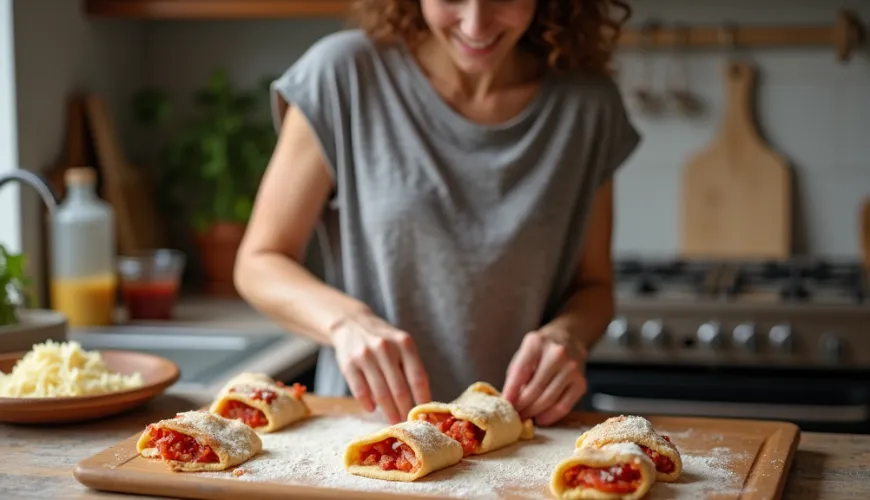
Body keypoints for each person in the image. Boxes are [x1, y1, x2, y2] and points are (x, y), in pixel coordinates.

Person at [234, 0, 640, 427]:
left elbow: (593, 287)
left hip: (527, 434)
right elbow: (259, 261)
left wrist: (568, 338)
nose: (475, 23)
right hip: (369, 432)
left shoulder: (589, 105)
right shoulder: (344, 74)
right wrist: (347, 323)